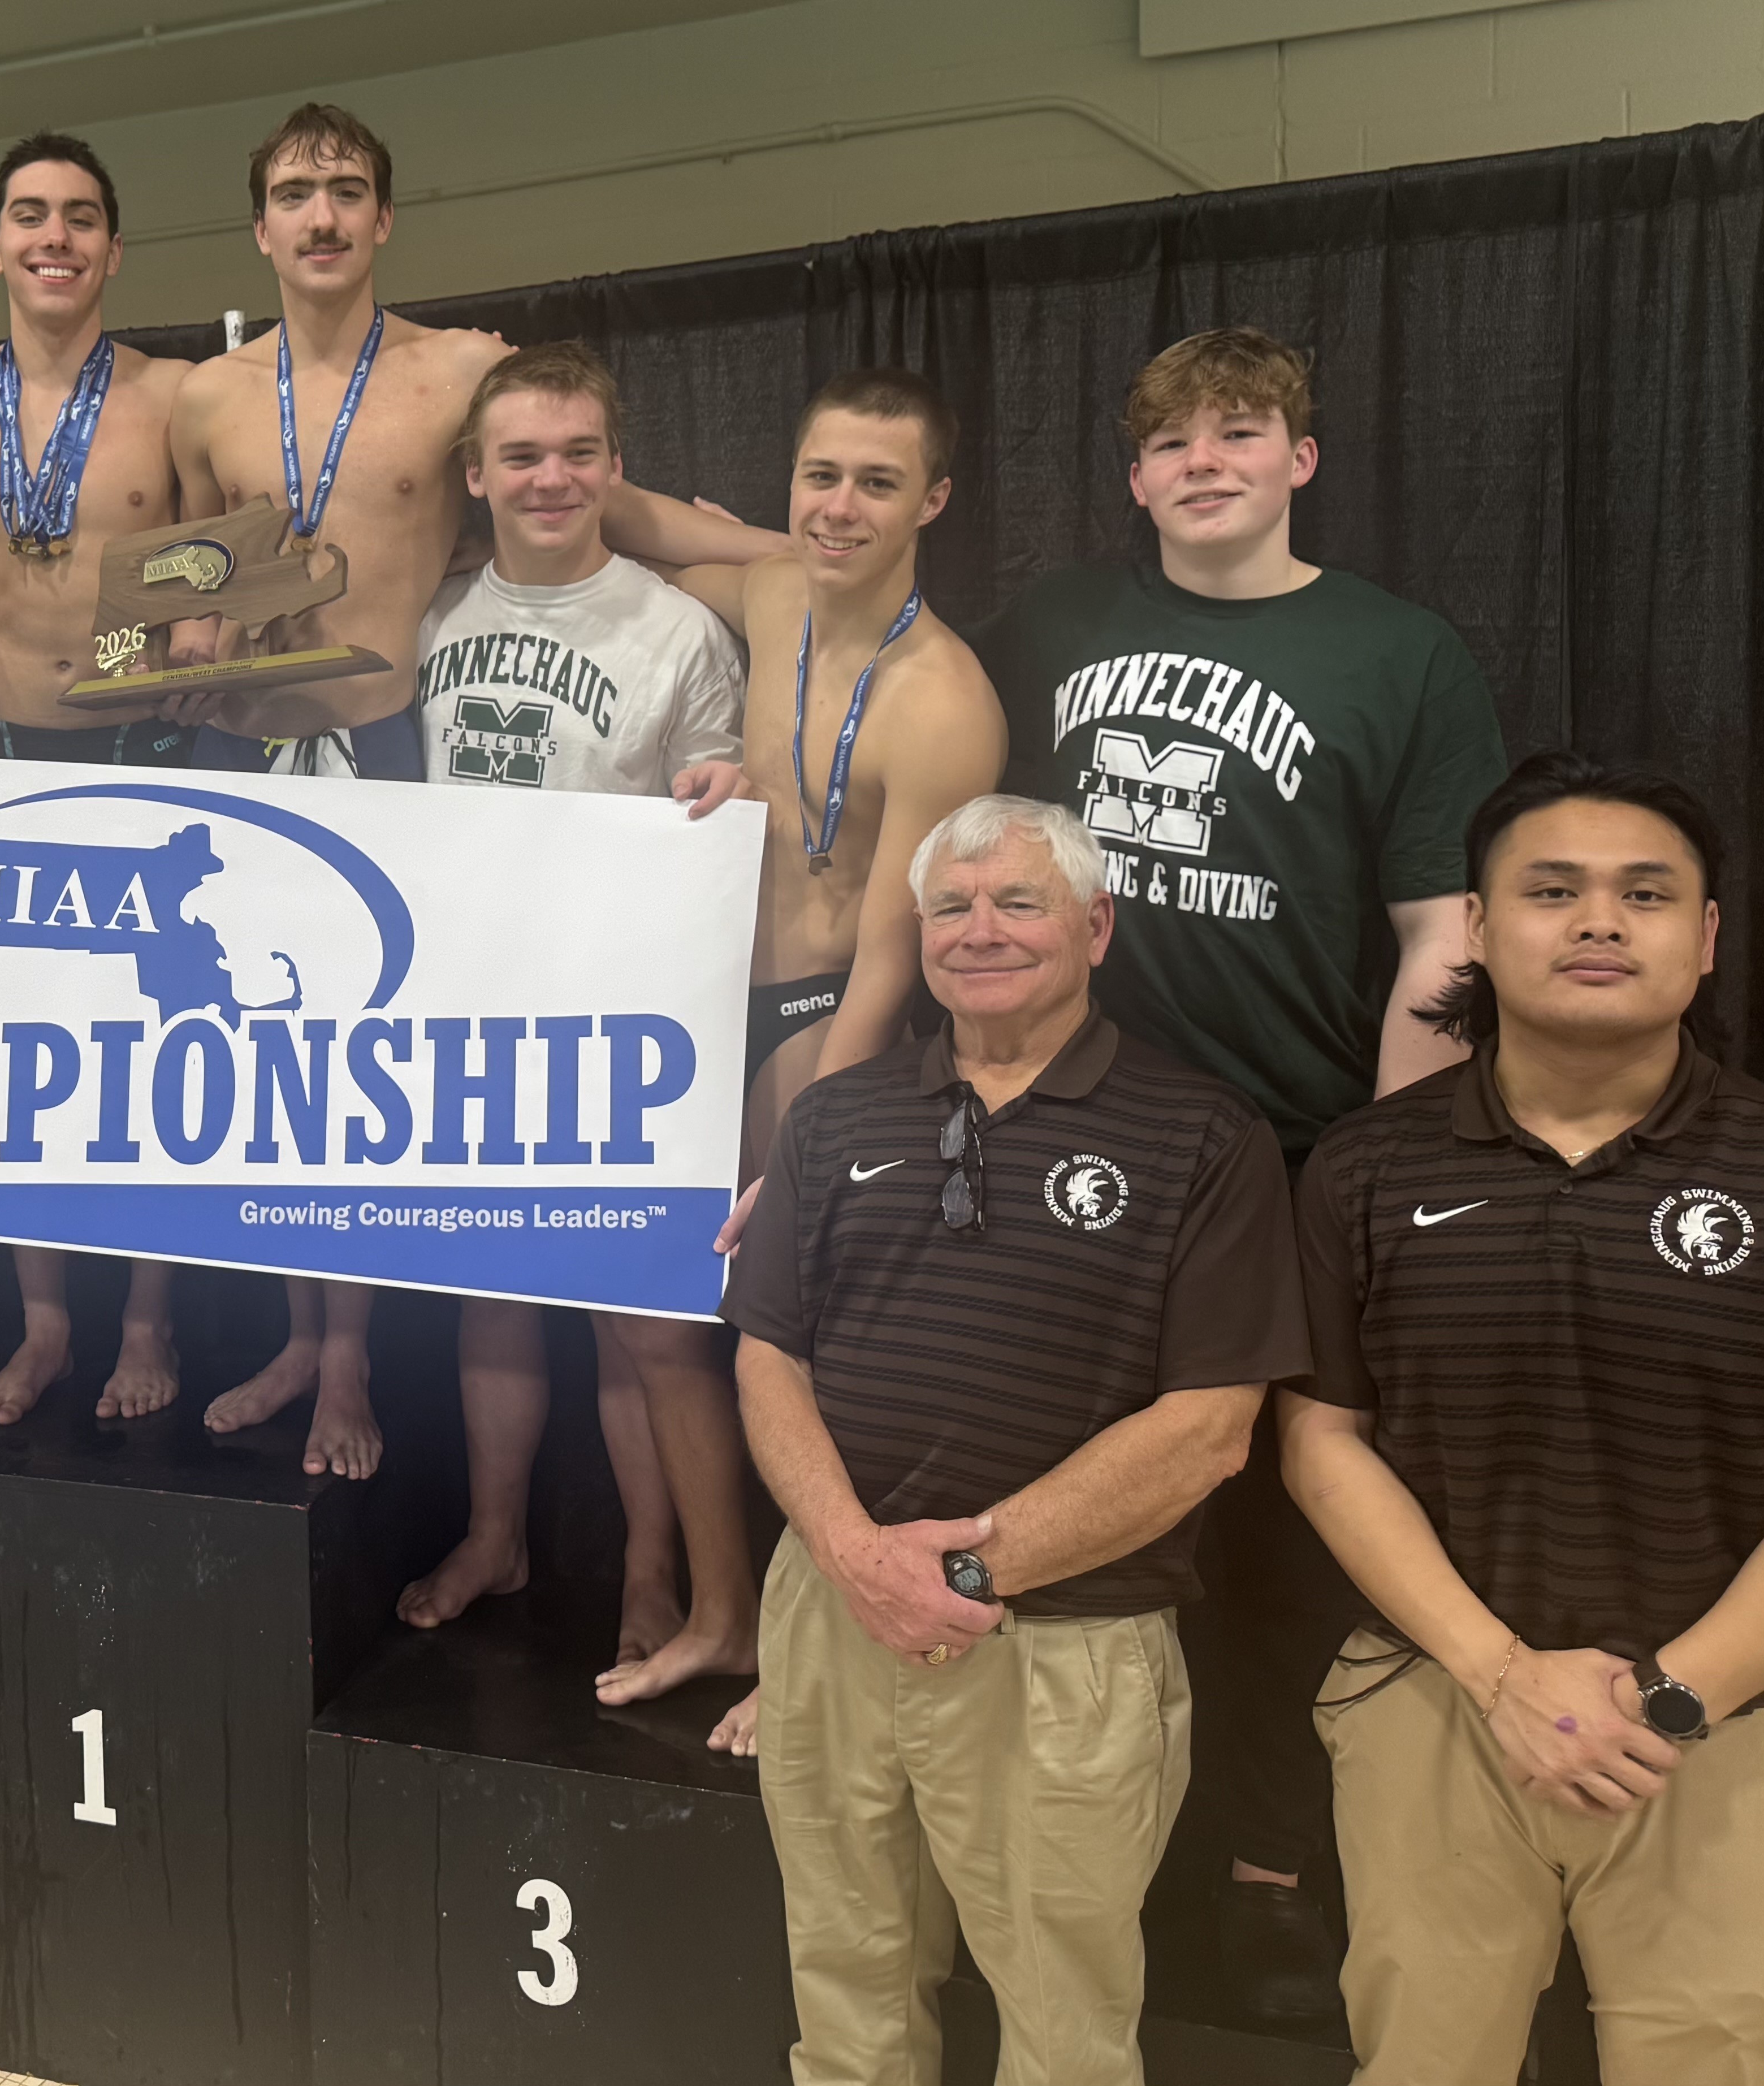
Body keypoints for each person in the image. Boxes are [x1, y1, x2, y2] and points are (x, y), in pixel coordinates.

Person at [978, 324, 1507, 2015]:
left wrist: (1373, 1160)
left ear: (1299, 459)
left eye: (1241, 431)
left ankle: (1274, 1869)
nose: (1203, 459)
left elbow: (1442, 924)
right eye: (1169, 440)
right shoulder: (1052, 625)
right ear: (1130, 478)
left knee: (1278, 1529)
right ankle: (1066, 1865)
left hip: (1289, 1140)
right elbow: (898, 738)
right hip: (1071, 1140)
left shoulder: (1394, 652)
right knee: (1076, 1507)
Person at [169, 102, 789, 1479]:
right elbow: (192, 574)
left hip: (397, 738)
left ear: (384, 219)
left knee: (378, 1055)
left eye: (345, 190)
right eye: (293, 193)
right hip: (255, 743)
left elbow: (623, 509)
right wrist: (175, 664)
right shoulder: (208, 394)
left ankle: (349, 1365)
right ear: (259, 226)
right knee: (278, 1063)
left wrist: (794, 555)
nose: (321, 216)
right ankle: (294, 1330)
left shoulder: (467, 370)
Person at [1284, 754, 1764, 2086]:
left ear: (1706, 938)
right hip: (1436, 1702)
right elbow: (1321, 1446)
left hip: (1725, 1730)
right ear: (1478, 930)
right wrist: (1501, 1676)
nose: (1600, 921)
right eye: (1553, 891)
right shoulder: (1364, 1171)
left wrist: (1664, 1700)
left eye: (1645, 894)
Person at [723, 793, 1303, 2086]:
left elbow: (1211, 1431)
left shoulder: (1205, 1139)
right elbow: (769, 1356)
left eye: (1018, 903)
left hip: (1064, 1653)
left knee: (1065, 2031)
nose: (979, 931)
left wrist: (969, 1571)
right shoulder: (831, 1118)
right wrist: (851, 1554)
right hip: (833, 1619)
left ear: (1097, 927)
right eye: (951, 907)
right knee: (847, 2001)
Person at [391, 341, 762, 1706]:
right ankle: (499, 1537)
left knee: (641, 1324)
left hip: (624, 1019)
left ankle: (650, 1571)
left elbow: (714, 830)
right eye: (525, 456)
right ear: (477, 474)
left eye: (579, 452)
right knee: (490, 1295)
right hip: (467, 1009)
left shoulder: (677, 629)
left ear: (614, 464)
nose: (552, 478)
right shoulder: (424, 620)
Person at [668, 366, 1007, 1750]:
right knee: (675, 1328)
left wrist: (809, 1139)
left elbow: (888, 954)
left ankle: (806, 1647)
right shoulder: (766, 593)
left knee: (794, 1338)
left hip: (830, 1016)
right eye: (821, 477)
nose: (841, 506)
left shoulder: (946, 702)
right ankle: (722, 1608)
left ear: (932, 500)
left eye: (877, 483)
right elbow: (623, 517)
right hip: (697, 995)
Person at [0, 133, 189, 1436]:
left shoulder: (176, 396)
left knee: (143, 1063)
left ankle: (145, 1317)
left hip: (143, 756)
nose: (54, 238)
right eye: (30, 215)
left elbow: (201, 580)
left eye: (80, 217)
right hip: (0, 763)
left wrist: (145, 660)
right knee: (27, 1070)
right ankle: (47, 1325)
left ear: (114, 248)